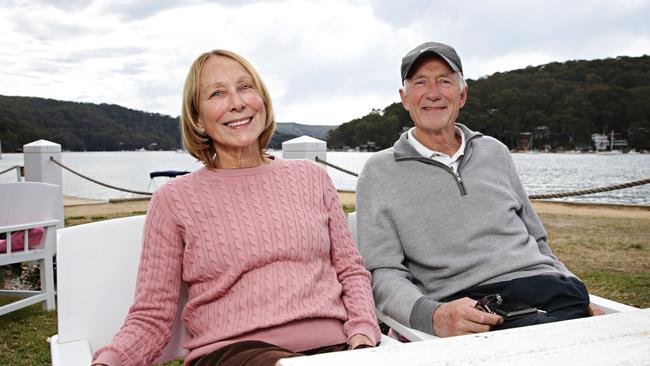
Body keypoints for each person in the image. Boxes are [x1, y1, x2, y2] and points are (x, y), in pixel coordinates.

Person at [92, 49, 380, 366]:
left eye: (245, 87)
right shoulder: (174, 200)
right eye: (217, 93)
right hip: (236, 354)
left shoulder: (312, 178)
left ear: (262, 100)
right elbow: (152, 314)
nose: (236, 102)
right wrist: (110, 361)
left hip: (336, 349)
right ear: (198, 120)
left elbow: (351, 271)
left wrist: (363, 331)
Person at [356, 41, 603, 338]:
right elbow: (383, 273)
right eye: (421, 82)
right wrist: (433, 315)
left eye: (444, 81)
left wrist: (578, 291)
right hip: (474, 307)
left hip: (552, 290)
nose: (433, 93)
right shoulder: (380, 171)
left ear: (462, 95)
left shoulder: (495, 152)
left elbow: (537, 240)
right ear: (405, 98)